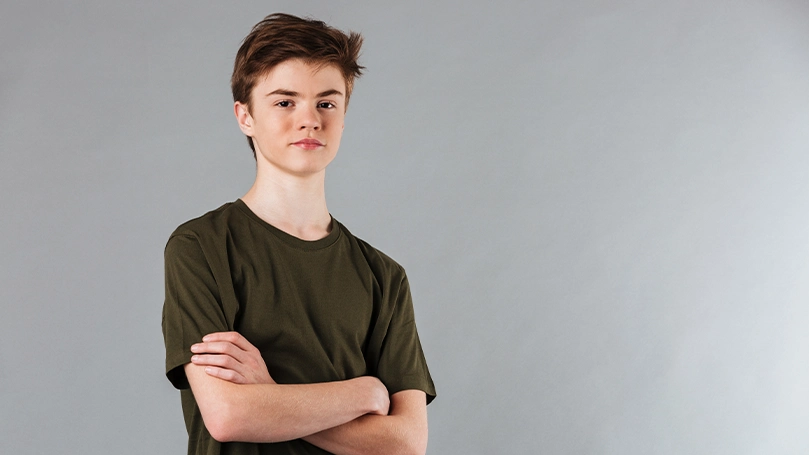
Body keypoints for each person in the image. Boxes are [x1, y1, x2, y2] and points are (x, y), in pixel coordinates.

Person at [161, 13, 436, 455]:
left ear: (343, 118)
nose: (309, 120)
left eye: (326, 103)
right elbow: (230, 415)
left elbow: (405, 443)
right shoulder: (201, 248)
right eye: (285, 102)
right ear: (245, 116)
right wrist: (362, 393)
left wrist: (267, 390)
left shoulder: (383, 276)